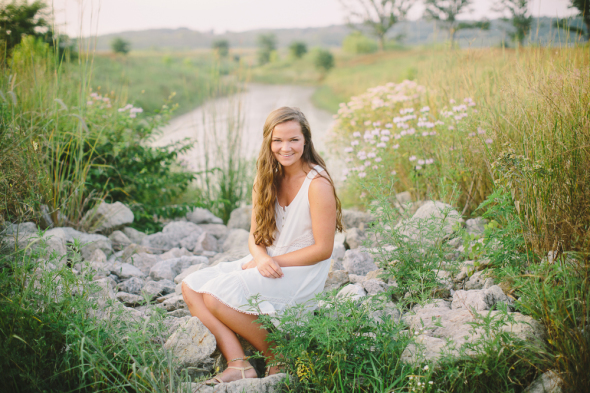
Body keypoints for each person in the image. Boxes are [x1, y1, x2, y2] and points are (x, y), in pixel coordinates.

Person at [181, 106, 343, 385]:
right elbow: (255, 237)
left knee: (216, 296)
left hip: (300, 271)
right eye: (278, 140)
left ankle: (278, 356)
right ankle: (239, 363)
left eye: (293, 139)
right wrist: (259, 257)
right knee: (191, 285)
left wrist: (272, 262)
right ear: (269, 141)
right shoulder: (266, 178)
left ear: (306, 140)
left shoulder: (317, 184)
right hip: (269, 263)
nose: (286, 147)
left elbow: (323, 250)